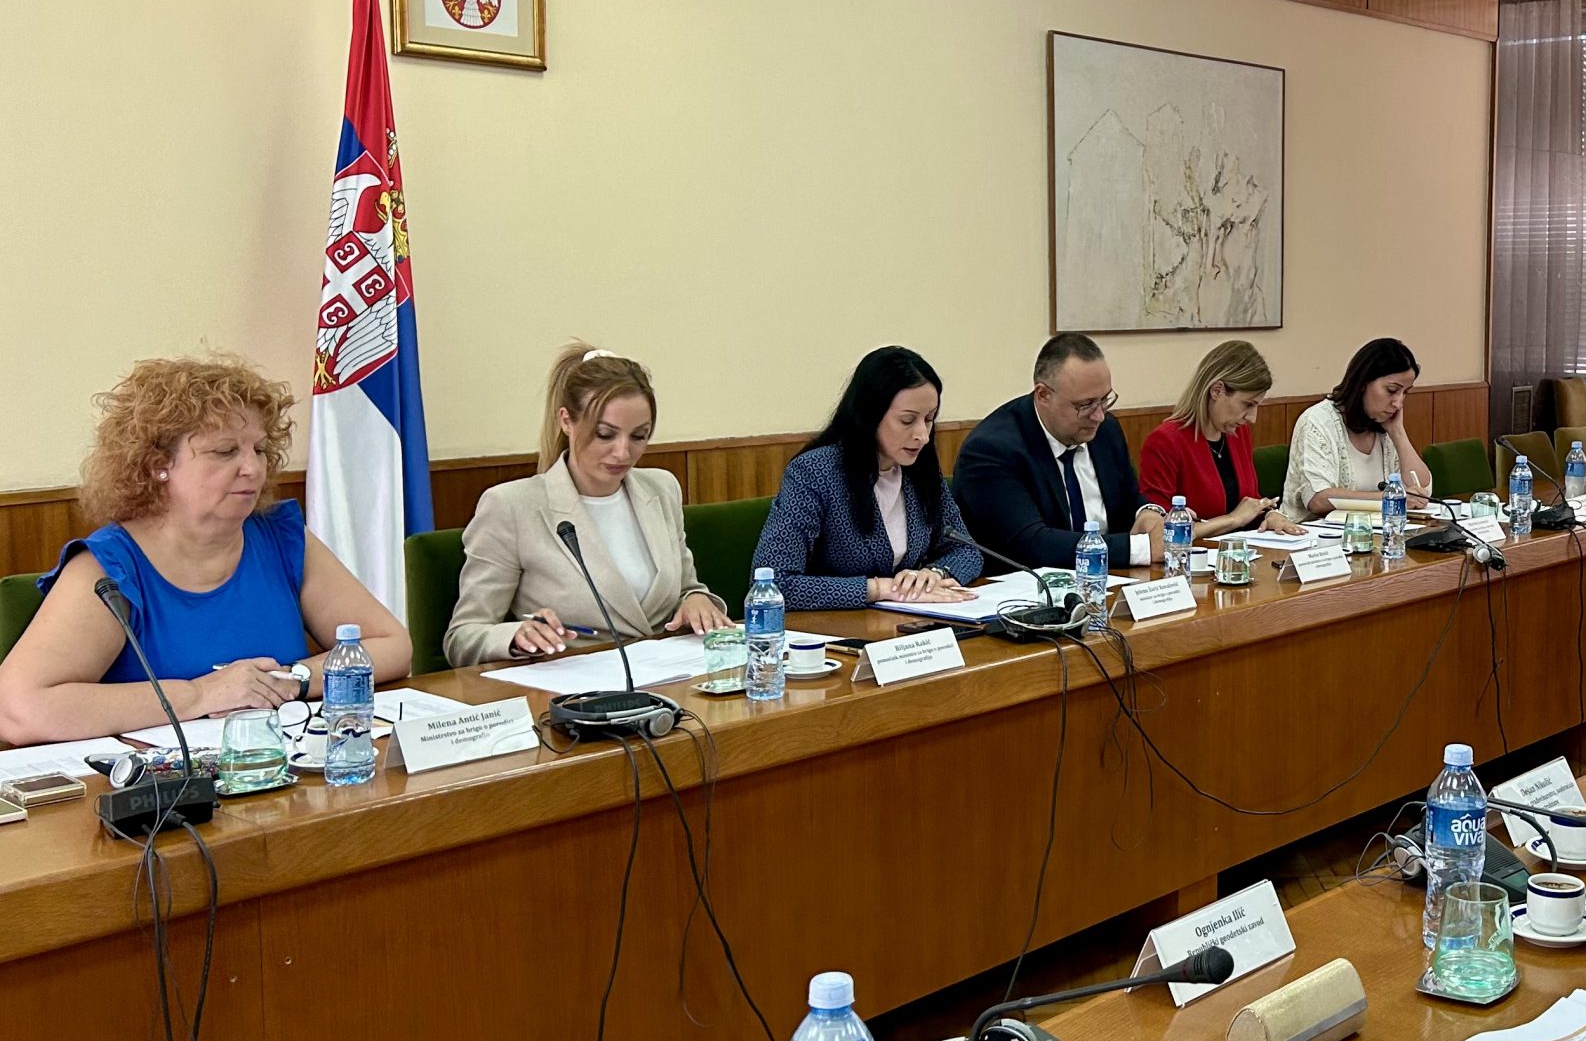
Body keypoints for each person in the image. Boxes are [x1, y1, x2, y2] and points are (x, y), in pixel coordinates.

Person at [0, 355, 410, 744]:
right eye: (225, 451)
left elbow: (391, 645)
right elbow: (18, 709)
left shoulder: (280, 536)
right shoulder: (111, 565)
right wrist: (201, 694)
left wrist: (290, 680)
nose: (253, 468)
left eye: (259, 449)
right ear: (158, 465)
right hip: (162, 786)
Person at [445, 346, 731, 667]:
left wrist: (696, 600)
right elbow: (463, 637)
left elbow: (686, 589)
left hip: (671, 675)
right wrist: (516, 637)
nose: (623, 453)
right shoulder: (510, 507)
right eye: (605, 435)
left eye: (639, 436)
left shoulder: (661, 488)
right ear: (566, 421)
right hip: (575, 686)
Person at [755, 347, 984, 608]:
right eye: (907, 421)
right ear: (870, 415)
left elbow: (967, 551)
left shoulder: (921, 470)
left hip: (905, 622)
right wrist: (879, 588)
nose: (922, 435)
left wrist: (934, 574)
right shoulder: (814, 472)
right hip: (832, 626)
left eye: (929, 419)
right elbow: (774, 585)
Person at [952, 333, 1161, 571]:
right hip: (1028, 586)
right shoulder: (992, 449)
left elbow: (1127, 499)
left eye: (1104, 400)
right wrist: (1141, 549)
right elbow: (1031, 545)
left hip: (1110, 578)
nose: (1099, 415)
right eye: (1085, 405)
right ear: (1043, 395)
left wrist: (1147, 513)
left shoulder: (1105, 431)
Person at [1138, 340, 1305, 539]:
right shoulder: (1165, 441)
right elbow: (1159, 532)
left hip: (1241, 549)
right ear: (1217, 391)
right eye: (1247, 404)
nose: (1252, 418)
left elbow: (1247, 502)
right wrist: (1233, 519)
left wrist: (1270, 515)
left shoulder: (1237, 432)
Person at [1282, 338, 1434, 522]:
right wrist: (1389, 498)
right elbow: (1318, 499)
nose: (1398, 403)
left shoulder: (1385, 425)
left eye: (1405, 393)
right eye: (1392, 390)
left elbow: (1422, 491)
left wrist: (1398, 434)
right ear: (1363, 383)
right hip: (1315, 534)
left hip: (1377, 531)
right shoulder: (1317, 421)